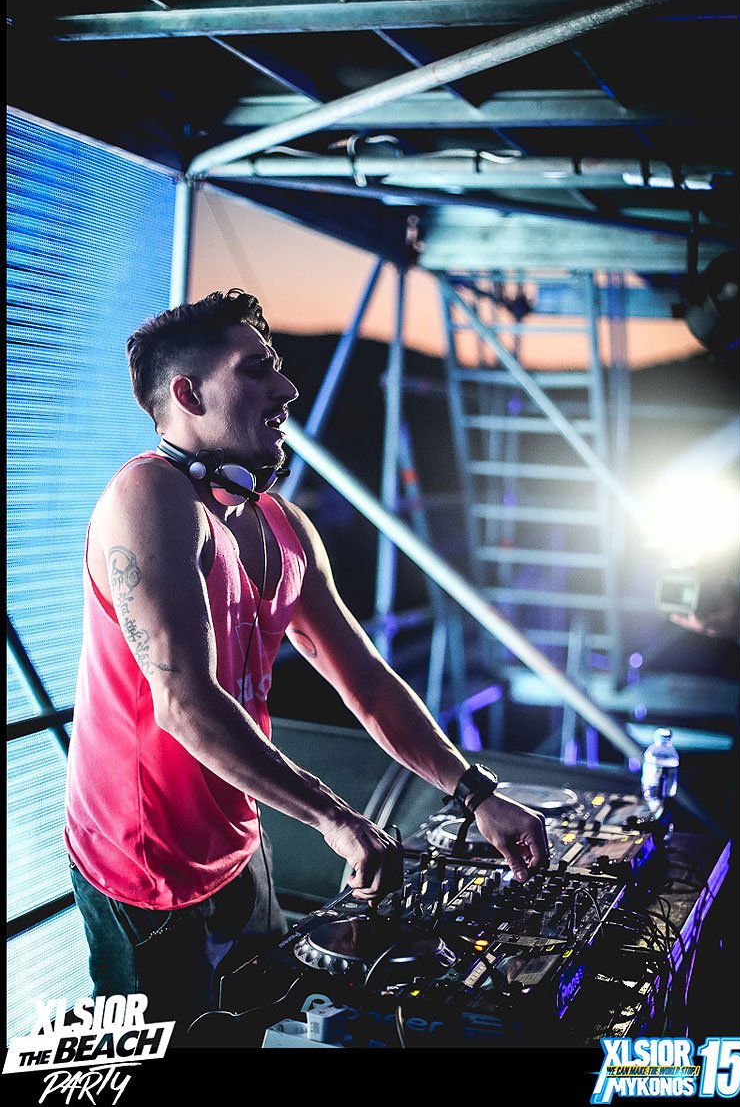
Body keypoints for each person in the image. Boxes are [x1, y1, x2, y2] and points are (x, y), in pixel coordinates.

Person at [64, 289, 549, 1042]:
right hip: (143, 862)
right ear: (188, 395)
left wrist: (476, 793)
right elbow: (184, 703)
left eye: (279, 368)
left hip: (238, 836)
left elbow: (369, 684)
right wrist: (335, 818)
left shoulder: (282, 524)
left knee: (256, 1026)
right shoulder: (148, 497)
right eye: (256, 370)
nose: (287, 389)